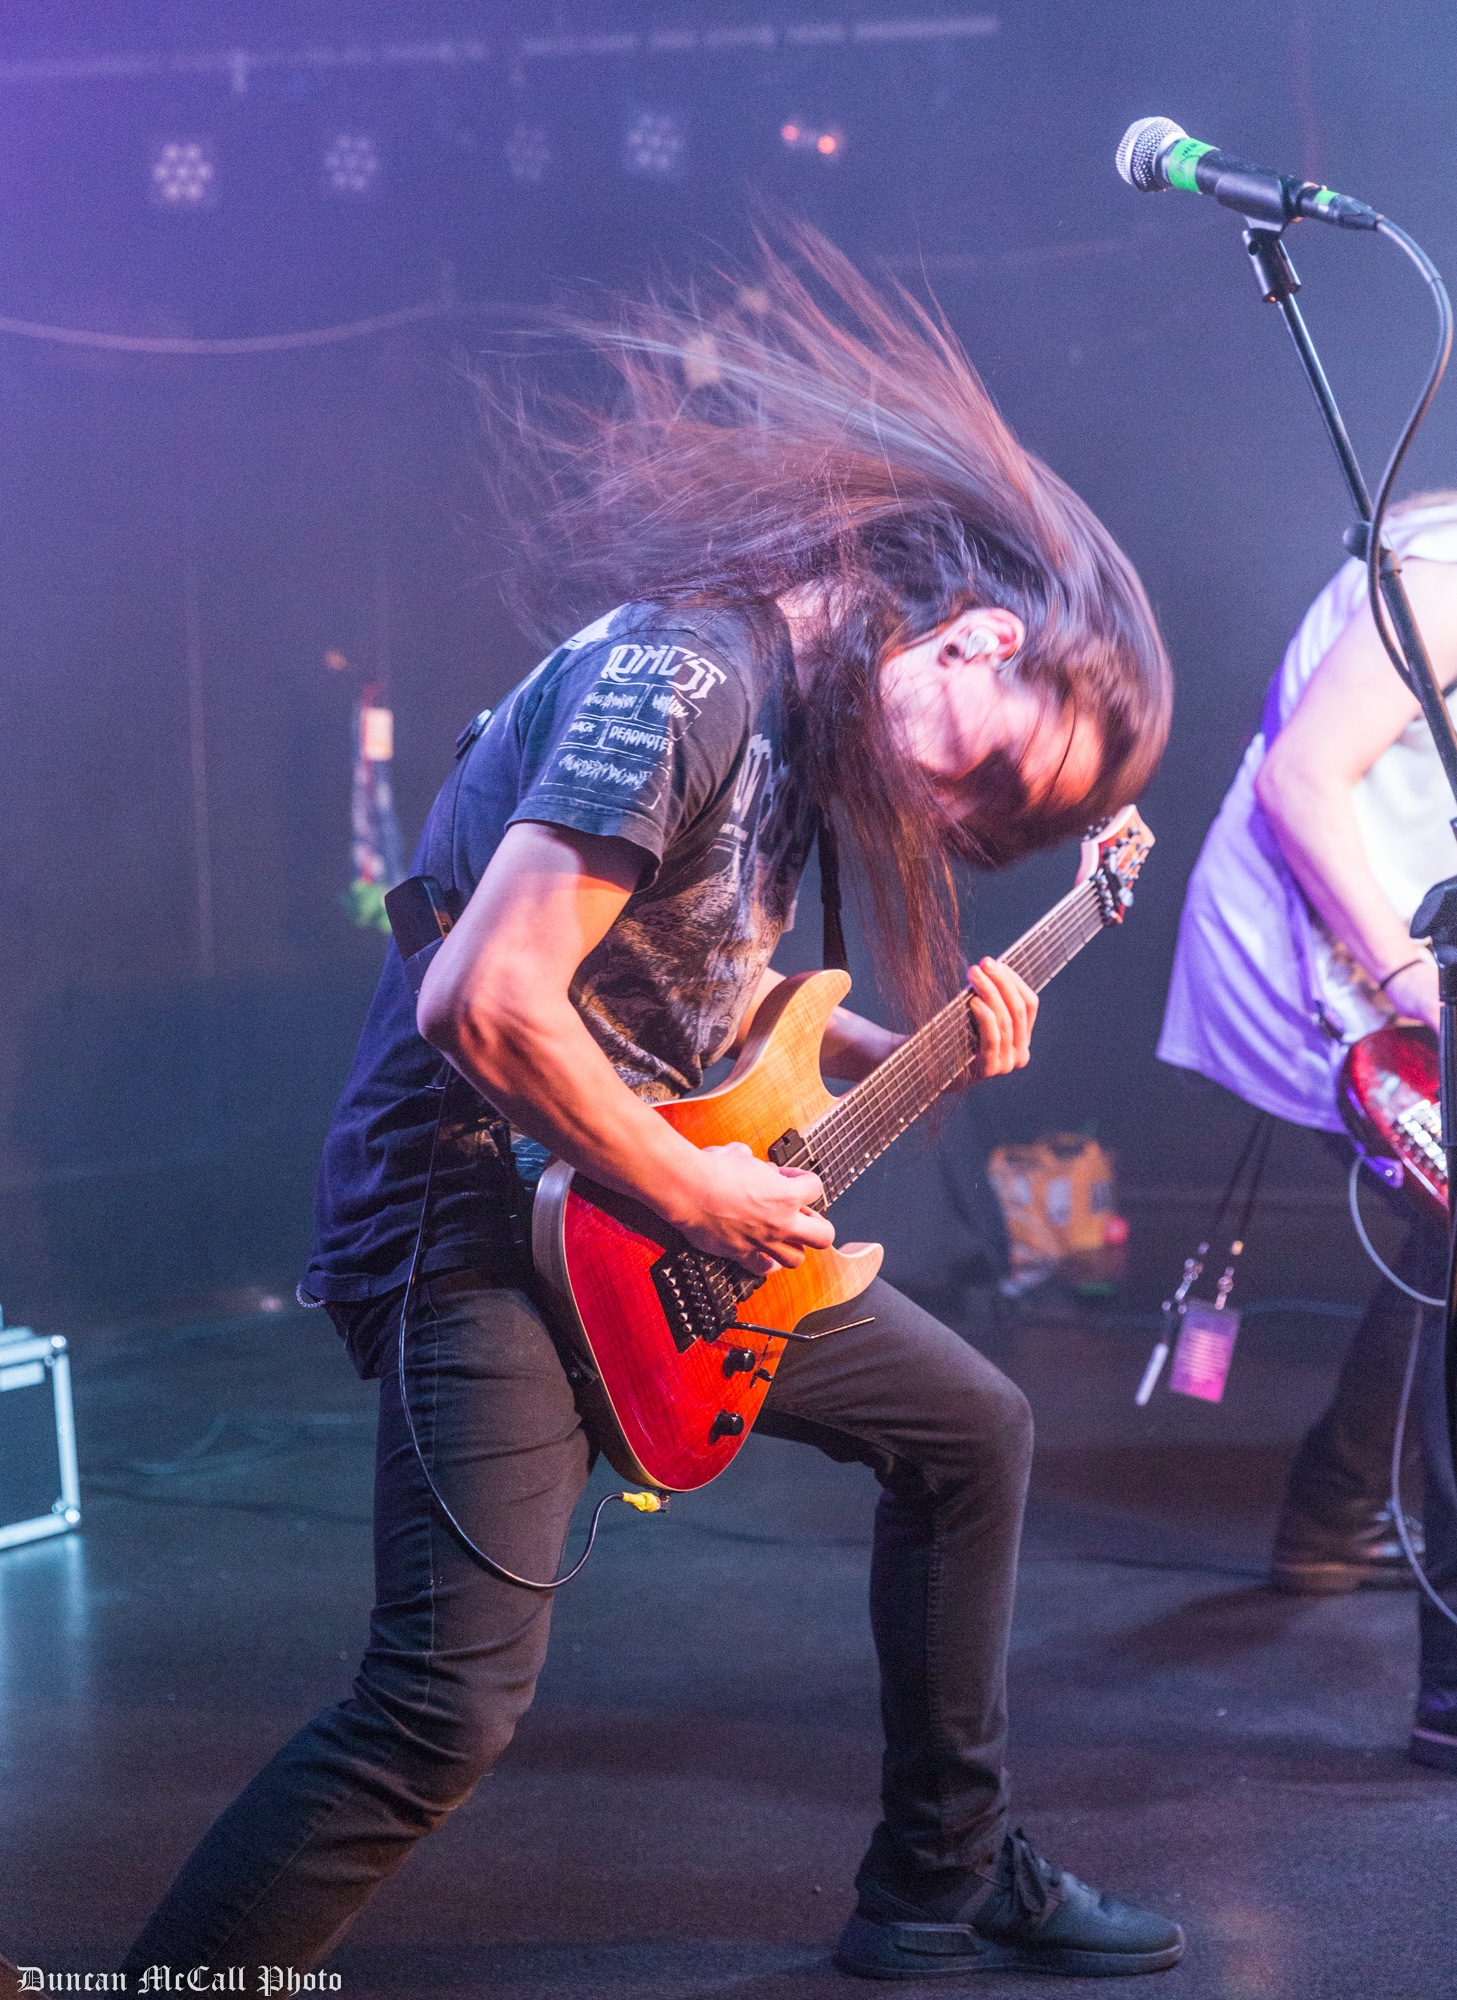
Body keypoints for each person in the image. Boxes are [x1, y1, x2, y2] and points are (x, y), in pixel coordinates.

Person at [122, 227, 1179, 1980]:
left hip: (630, 1198)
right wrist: (697, 1197)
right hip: (475, 1212)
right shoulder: (689, 683)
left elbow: (680, 994)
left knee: (968, 1434)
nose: (950, 822)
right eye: (984, 772)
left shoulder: (812, 730)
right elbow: (488, 1003)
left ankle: (936, 1874)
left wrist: (885, 1050)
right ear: (980, 638)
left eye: (991, 831)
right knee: (440, 1704)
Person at [1159, 492, 1457, 1770]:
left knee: (1441, 1237)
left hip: (1389, 938)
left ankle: (1335, 1508)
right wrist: (1408, 979)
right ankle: (1349, 1527)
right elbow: (1300, 780)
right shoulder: (1446, 567)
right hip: (1318, 939)